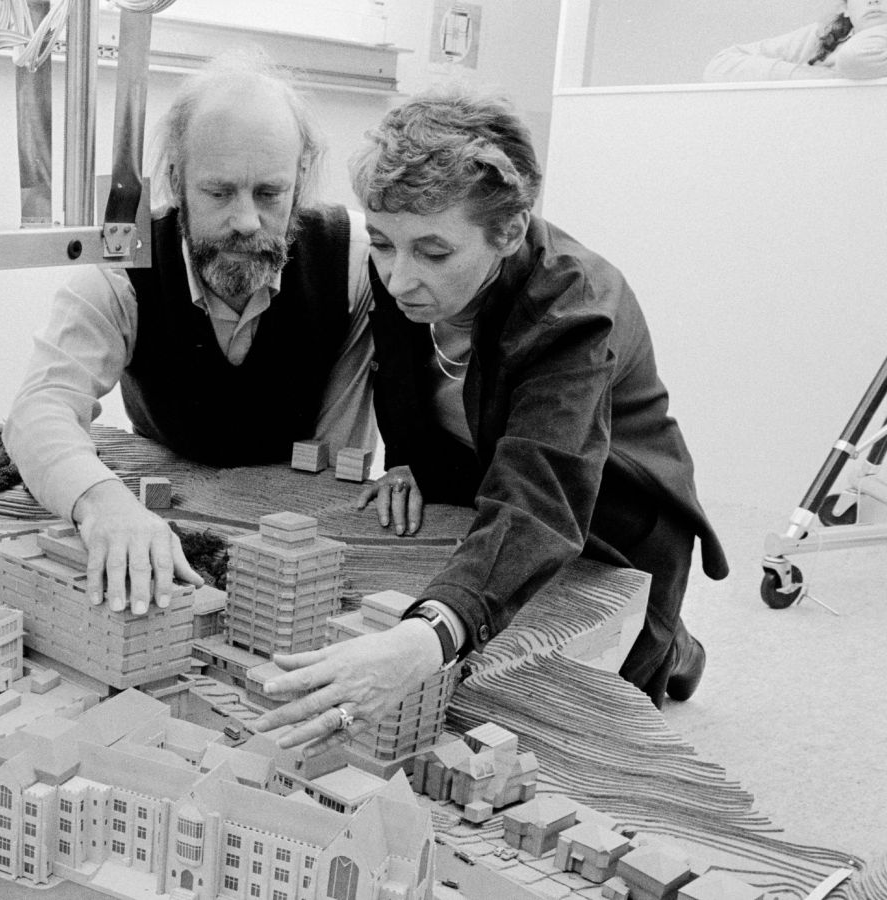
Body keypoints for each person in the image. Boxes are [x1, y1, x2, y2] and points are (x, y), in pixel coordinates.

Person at [253, 87, 728, 753]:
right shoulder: (401, 265)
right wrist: (406, 463)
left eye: (434, 252)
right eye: (384, 244)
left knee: (592, 723)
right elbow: (403, 383)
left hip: (614, 522)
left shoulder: (577, 308)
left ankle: (673, 647)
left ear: (507, 231)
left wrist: (426, 639)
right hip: (490, 479)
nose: (398, 278)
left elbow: (539, 496)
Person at [4, 51, 376, 617]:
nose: (247, 221)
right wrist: (104, 504)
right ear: (176, 180)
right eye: (219, 193)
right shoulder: (119, 272)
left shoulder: (353, 261)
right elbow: (39, 411)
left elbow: (341, 449)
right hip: (166, 489)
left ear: (301, 177)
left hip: (291, 516)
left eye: (270, 194)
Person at [704, 0, 887, 82]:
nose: (874, 1)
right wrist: (810, 77)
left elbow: (854, 59)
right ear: (845, 8)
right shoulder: (822, 36)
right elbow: (719, 67)